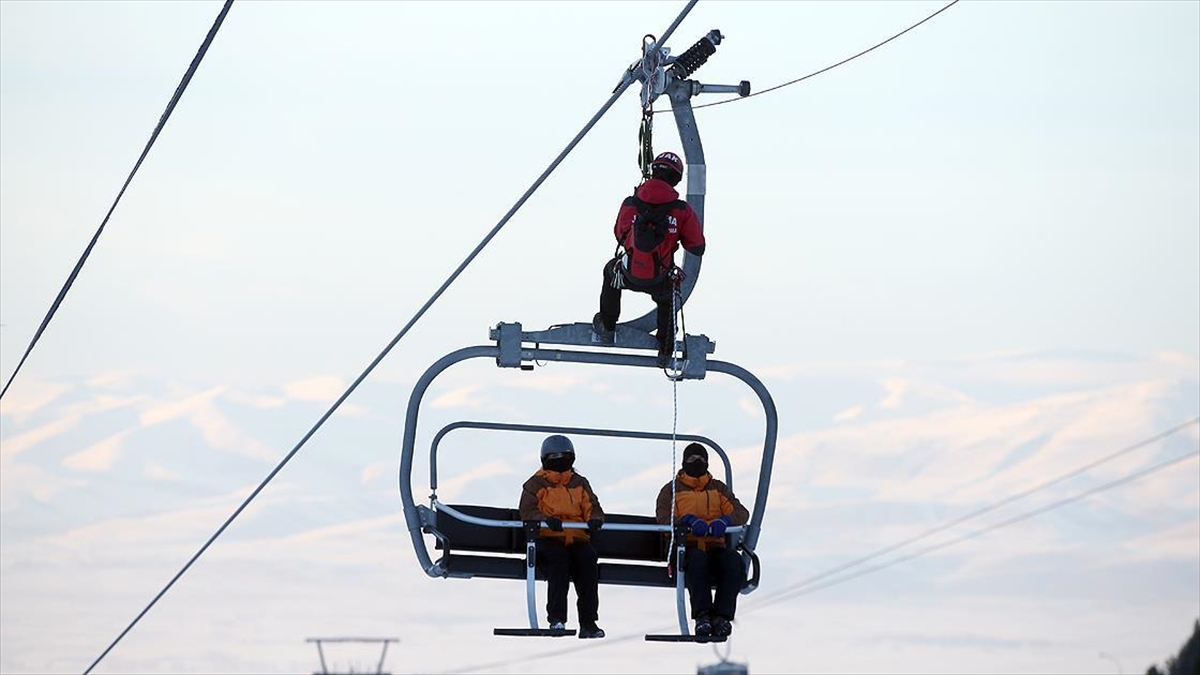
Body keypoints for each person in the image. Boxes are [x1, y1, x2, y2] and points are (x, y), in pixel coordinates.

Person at [593, 150, 706, 367]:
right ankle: (665, 348)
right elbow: (697, 247)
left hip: (629, 273)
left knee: (611, 272)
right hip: (660, 277)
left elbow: (619, 233)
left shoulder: (630, 203)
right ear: (676, 179)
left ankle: (607, 325)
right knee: (668, 295)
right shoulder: (681, 211)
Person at [655, 442, 749, 638]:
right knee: (697, 560)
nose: (696, 463)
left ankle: (722, 617)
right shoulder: (671, 490)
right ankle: (702, 616)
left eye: (700, 460)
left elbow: (741, 512)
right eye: (691, 459)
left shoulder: (717, 488)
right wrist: (686, 522)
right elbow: (663, 517)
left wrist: (725, 521)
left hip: (713, 546)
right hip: (684, 548)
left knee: (732, 561)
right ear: (683, 462)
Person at [519, 434, 607, 639]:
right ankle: (557, 618)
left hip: (576, 539)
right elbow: (527, 511)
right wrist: (545, 519)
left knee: (587, 561)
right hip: (547, 539)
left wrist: (594, 519)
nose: (560, 462)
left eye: (564, 458)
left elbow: (592, 506)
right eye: (555, 458)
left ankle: (588, 622)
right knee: (559, 561)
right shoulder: (535, 485)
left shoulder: (579, 483)